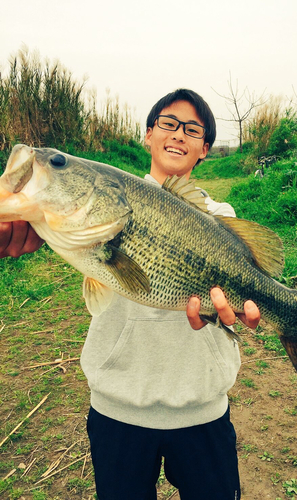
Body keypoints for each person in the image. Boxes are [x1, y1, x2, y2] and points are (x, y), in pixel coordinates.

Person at [0, 89, 260, 499]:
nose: (179, 134)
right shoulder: (88, 212)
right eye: (168, 123)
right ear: (148, 134)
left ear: (204, 149)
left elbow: (239, 305)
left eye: (192, 129)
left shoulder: (220, 220)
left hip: (202, 409)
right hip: (117, 409)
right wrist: (14, 230)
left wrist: (237, 314)